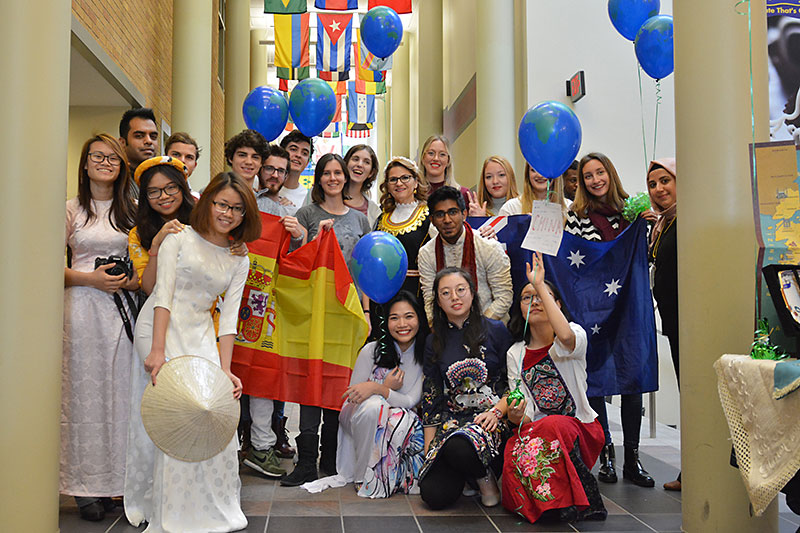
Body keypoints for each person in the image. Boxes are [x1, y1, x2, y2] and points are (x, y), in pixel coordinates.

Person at [134, 172, 262, 531]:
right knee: (179, 409)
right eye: (222, 204)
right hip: (162, 325)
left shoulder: (240, 258)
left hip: (203, 330)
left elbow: (232, 319)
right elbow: (162, 295)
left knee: (213, 409)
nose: (227, 213)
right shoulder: (180, 238)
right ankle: (172, 510)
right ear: (207, 202)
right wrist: (158, 351)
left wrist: (226, 369)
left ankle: (211, 506)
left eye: (236, 209)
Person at [564, 152, 654, 488]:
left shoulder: (632, 210)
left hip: (629, 308)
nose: (595, 180)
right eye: (588, 176)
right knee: (596, 383)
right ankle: (607, 456)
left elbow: (645, 257)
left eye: (600, 172)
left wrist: (648, 226)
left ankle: (633, 457)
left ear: (610, 174)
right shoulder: (577, 217)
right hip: (594, 311)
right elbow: (579, 266)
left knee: (633, 380)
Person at [498, 254, 607, 523]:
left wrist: (538, 283)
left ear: (556, 304)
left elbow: (566, 337)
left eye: (543, 296)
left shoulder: (573, 335)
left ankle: (569, 501)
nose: (534, 300)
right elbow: (524, 415)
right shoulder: (516, 354)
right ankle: (555, 506)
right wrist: (514, 414)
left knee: (553, 426)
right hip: (538, 430)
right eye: (527, 297)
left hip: (579, 429)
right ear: (519, 310)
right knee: (515, 447)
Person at [62, 134, 138, 521]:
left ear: (122, 165)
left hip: (121, 313)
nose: (106, 163)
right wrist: (89, 279)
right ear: (85, 162)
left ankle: (115, 484)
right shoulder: (71, 209)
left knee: (120, 396)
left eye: (113, 157)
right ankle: (83, 486)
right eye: (98, 156)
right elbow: (46, 264)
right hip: (82, 310)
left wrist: (127, 281)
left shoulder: (132, 210)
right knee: (83, 398)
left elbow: (143, 264)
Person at [284, 153, 371, 486]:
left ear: (345, 178)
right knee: (311, 382)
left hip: (346, 313)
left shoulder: (361, 220)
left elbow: (363, 272)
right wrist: (313, 237)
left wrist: (364, 311)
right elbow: (296, 262)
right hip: (314, 311)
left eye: (338, 172)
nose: (333, 178)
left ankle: (331, 457)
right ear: (318, 179)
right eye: (326, 173)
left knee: (338, 383)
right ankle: (306, 460)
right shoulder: (306, 214)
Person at [419, 267, 513, 510]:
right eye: (446, 293)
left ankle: (484, 477)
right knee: (433, 495)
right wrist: (430, 449)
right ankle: (467, 472)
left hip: (491, 420)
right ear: (438, 302)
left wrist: (498, 412)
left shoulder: (496, 331)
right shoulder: (433, 341)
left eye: (460, 290)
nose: (455, 297)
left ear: (472, 293)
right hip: (451, 422)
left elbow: (515, 380)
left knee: (461, 444)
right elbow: (432, 396)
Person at [242, 145, 309, 477]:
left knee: (264, 375)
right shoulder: (240, 201)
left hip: (268, 304)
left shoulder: (287, 209)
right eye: (269, 168)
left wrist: (300, 234)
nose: (275, 175)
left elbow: (297, 253)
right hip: (231, 301)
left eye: (281, 171)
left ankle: (263, 445)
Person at [337, 290, 429, 498]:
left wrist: (377, 388)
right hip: (359, 419)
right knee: (374, 407)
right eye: (394, 318)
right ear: (385, 323)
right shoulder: (372, 350)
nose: (402, 324)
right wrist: (380, 391)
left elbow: (411, 401)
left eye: (409, 316)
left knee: (396, 415)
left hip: (399, 427)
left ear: (419, 319)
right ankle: (363, 476)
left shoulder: (426, 355)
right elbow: (352, 398)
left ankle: (392, 476)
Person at [418, 186, 513, 324]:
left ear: (464, 214)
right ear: (432, 220)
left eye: (453, 212)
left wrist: (476, 327)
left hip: (489, 328)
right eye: (440, 214)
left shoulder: (488, 247)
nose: (447, 220)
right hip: (447, 330)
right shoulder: (426, 253)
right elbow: (430, 300)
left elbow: (504, 296)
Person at [644, 157, 680, 491]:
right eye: (653, 184)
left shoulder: (686, 220)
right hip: (673, 321)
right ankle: (693, 468)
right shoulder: (662, 225)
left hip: (691, 323)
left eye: (665, 181)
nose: (659, 189)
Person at [374, 156, 431, 300]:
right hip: (385, 295)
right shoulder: (381, 219)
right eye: (393, 179)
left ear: (416, 182)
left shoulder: (429, 216)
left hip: (418, 294)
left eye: (405, 178)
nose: (399, 183)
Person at [418, 135, 471, 206]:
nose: (436, 158)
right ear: (423, 158)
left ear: (448, 160)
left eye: (442, 154)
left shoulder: (463, 194)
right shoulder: (413, 193)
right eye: (431, 153)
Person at [499, 162, 566, 216]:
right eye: (534, 170)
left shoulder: (569, 208)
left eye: (546, 169)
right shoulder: (511, 208)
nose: (540, 175)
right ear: (527, 174)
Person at [343, 144, 381, 226]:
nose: (360, 164)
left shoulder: (374, 211)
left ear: (371, 173)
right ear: (346, 164)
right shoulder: (325, 195)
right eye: (355, 159)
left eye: (366, 162)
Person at [279, 130, 314, 214]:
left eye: (304, 153)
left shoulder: (307, 198)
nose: (298, 155)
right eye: (293, 149)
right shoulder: (264, 186)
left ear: (307, 163)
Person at [119, 108, 159, 175]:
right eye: (139, 136)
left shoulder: (165, 179)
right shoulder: (111, 179)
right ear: (122, 142)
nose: (149, 141)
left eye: (153, 137)